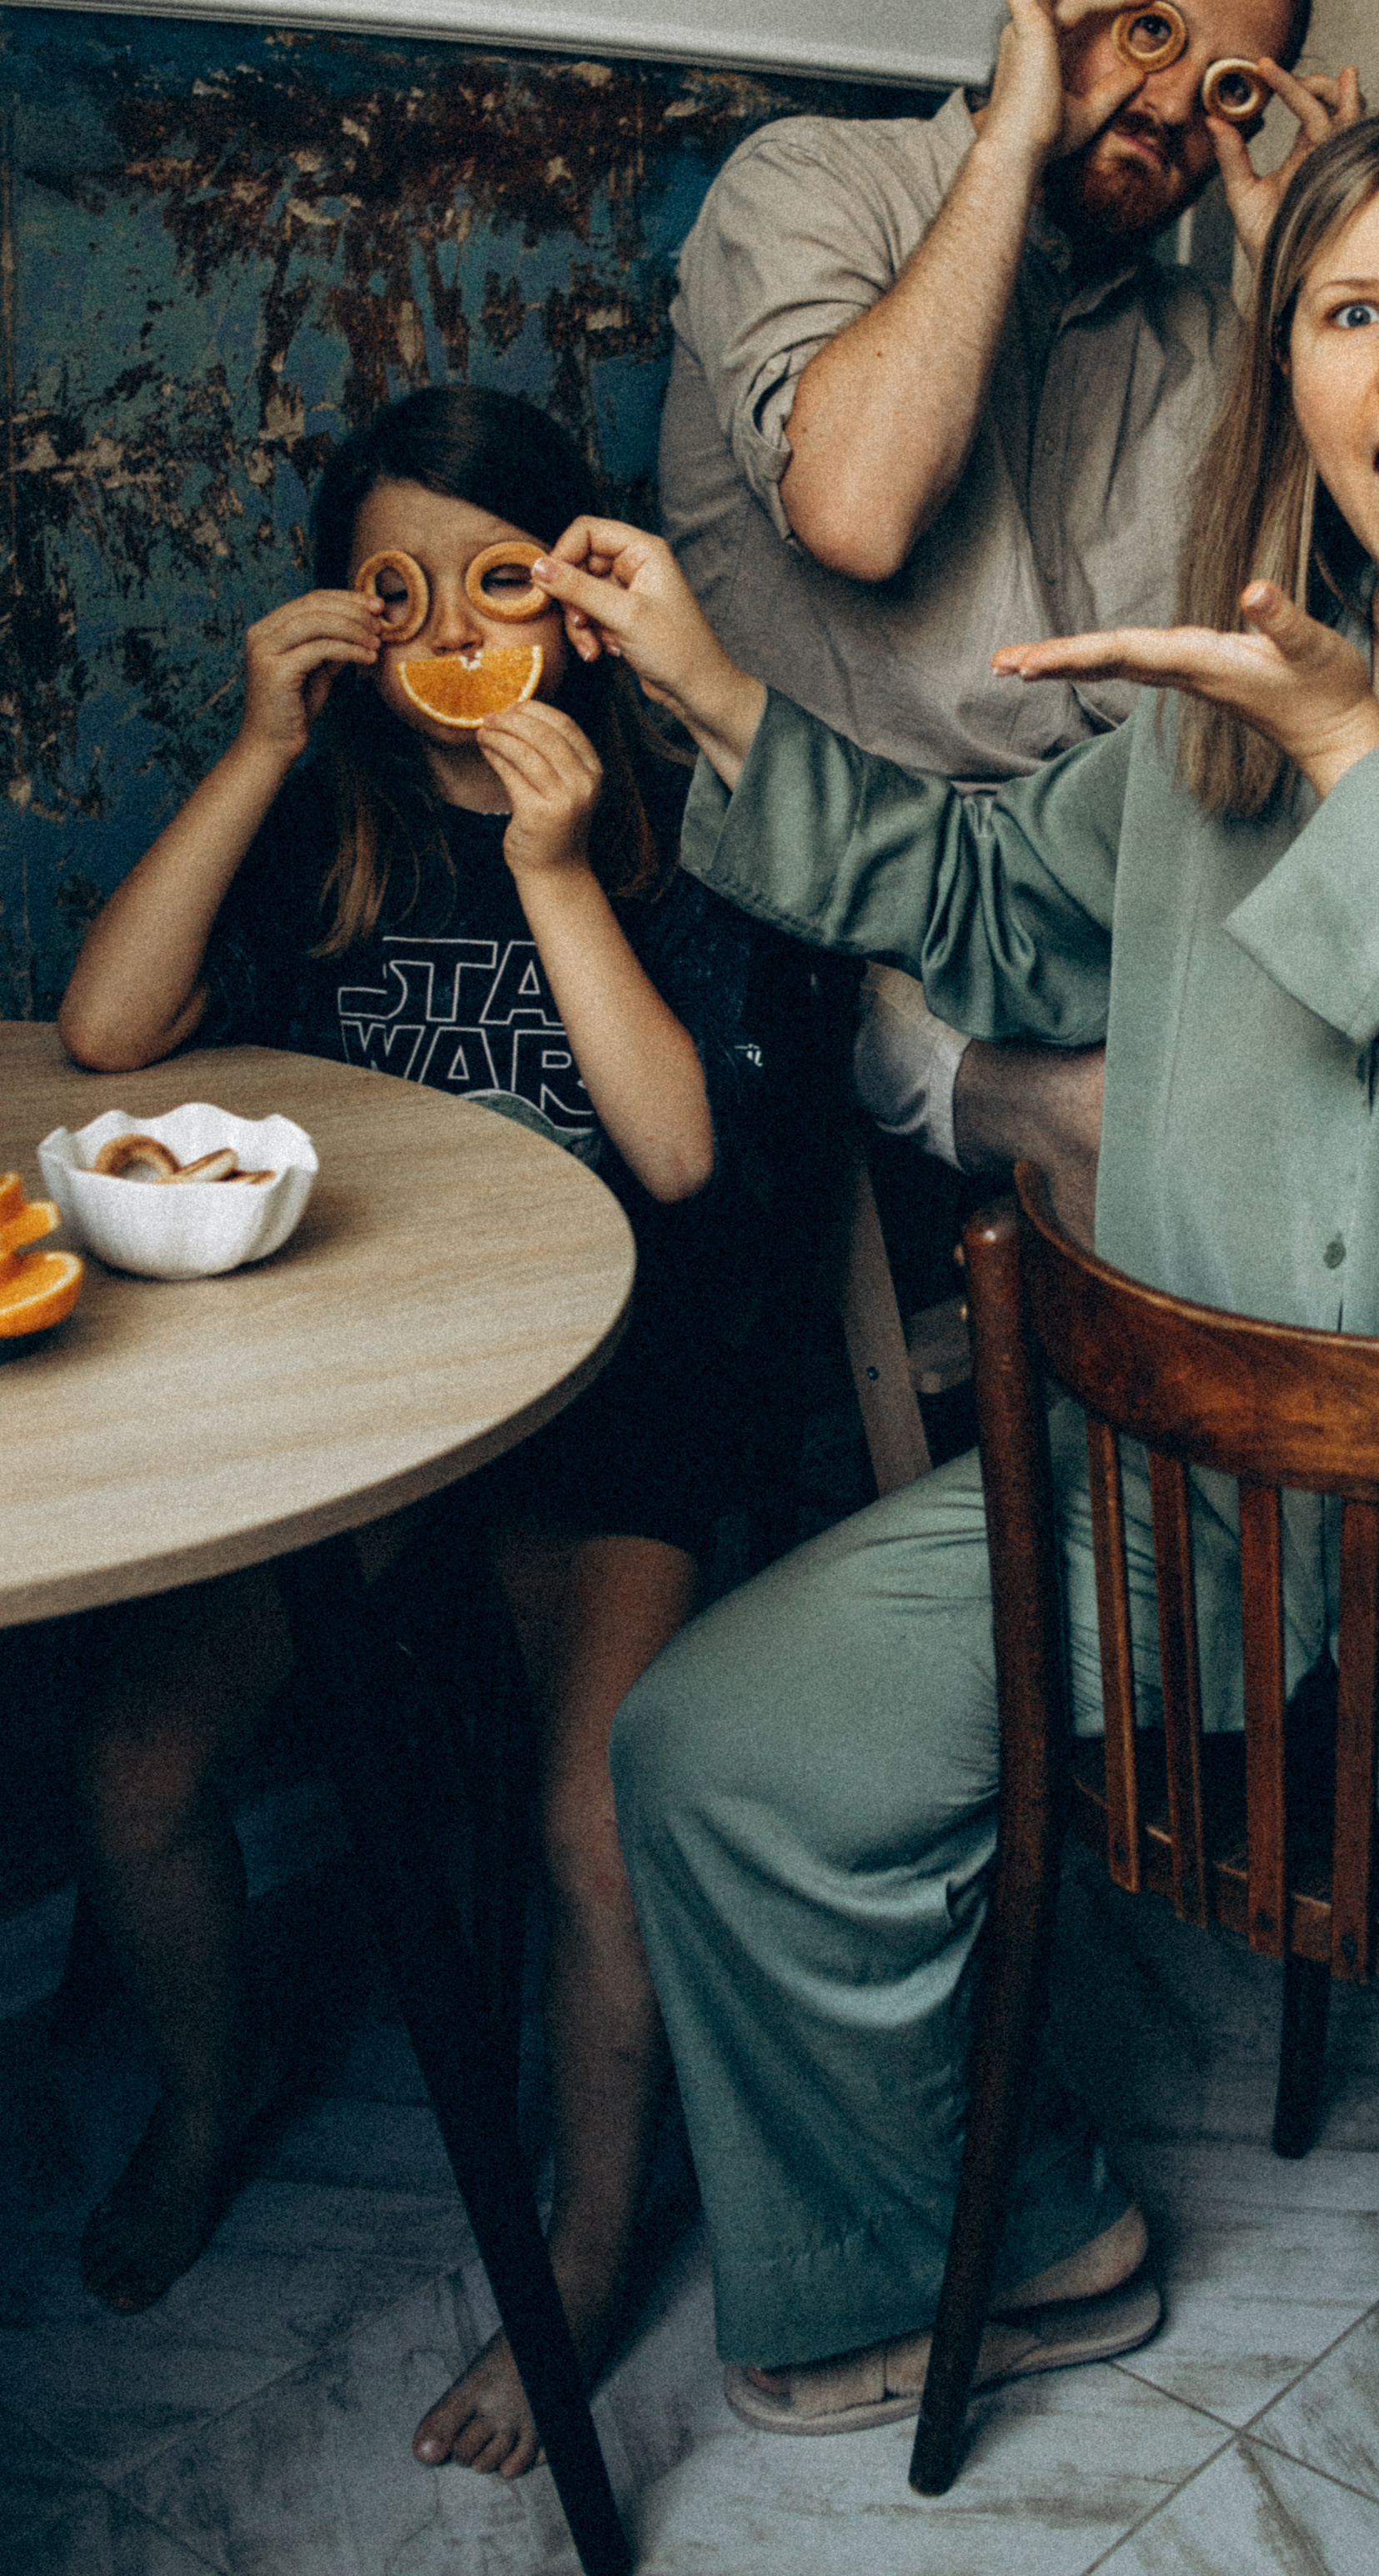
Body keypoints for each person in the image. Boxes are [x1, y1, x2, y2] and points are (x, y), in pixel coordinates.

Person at [525, 92, 1379, 2576]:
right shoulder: (1230, 693)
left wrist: (1341, 761)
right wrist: (713, 690)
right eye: (1347, 312)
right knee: (726, 1749)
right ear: (1287, 378)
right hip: (1225, 1522)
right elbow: (979, 895)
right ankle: (987, 2247)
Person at [55, 388, 816, 2483]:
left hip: (613, 1414)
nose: (447, 630)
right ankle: (211, 2106)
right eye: (397, 589)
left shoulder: (670, 823)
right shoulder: (329, 804)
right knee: (129, 1760)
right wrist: (256, 750)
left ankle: (577, 2246)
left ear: (574, 602)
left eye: (500, 578)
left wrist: (557, 868)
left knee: (597, 1825)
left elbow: (672, 1159)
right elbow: (113, 1036)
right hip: (364, 1412)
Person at [659, 0, 1359, 1228]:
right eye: (1147, 32)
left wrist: (1312, 285)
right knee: (1137, 1125)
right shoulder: (810, 183)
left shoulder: (1212, 339)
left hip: (1102, 888)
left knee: (1372, 1066)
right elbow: (856, 516)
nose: (1169, 104)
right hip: (840, 899)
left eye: (1229, 87)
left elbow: (1304, 642)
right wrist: (1011, 139)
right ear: (1055, 3)